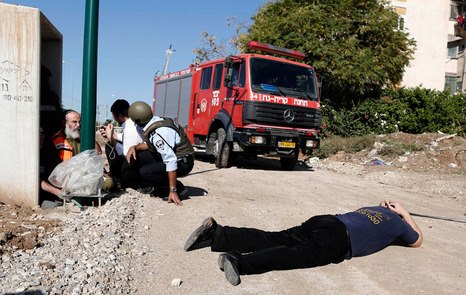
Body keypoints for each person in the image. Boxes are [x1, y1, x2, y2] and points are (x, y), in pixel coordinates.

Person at [184, 200, 423, 286]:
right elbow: (417, 241)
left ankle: (217, 234)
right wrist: (405, 213)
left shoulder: (372, 209)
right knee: (295, 255)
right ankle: (239, 261)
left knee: (275, 237)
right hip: (338, 239)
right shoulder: (400, 225)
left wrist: (390, 206)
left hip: (324, 221)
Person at [126, 101, 195, 205]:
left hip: (183, 162)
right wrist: (135, 147)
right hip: (178, 156)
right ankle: (151, 184)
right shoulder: (155, 121)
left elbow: (170, 160)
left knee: (145, 172)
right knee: (137, 157)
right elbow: (152, 144)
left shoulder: (159, 132)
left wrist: (173, 190)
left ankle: (177, 188)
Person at [100, 99, 144, 188]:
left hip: (135, 163)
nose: (114, 119)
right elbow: (126, 138)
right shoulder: (132, 123)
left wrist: (111, 138)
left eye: (114, 116)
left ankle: (117, 180)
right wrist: (114, 136)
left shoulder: (129, 127)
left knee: (110, 145)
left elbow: (125, 154)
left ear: (120, 116)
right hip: (141, 158)